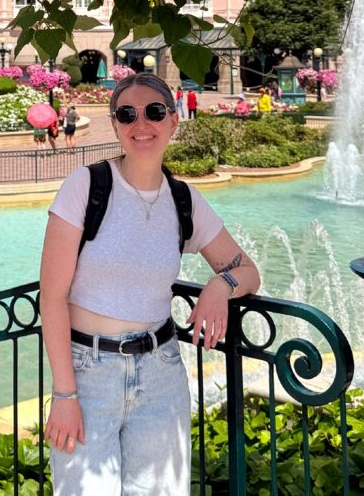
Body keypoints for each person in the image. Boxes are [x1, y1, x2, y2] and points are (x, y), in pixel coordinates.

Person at [40, 73, 260, 493]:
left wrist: (219, 286)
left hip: (161, 372)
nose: (142, 124)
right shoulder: (86, 187)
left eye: (154, 112)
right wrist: (65, 395)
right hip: (88, 373)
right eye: (127, 114)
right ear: (116, 124)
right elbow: (51, 297)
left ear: (173, 120)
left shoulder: (184, 200)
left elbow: (247, 269)